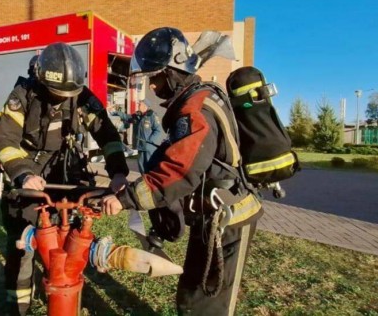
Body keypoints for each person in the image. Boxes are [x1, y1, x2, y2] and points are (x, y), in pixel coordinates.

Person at [101, 27, 263, 316]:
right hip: (211, 219)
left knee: (208, 304)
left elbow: (178, 170)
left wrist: (126, 200)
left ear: (173, 71)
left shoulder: (195, 111)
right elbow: (171, 159)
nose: (152, 87)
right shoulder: (193, 101)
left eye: (155, 78)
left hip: (228, 222)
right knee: (191, 295)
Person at [0, 42, 129, 315]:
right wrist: (23, 175)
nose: (62, 98)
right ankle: (19, 305)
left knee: (70, 236)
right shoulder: (22, 95)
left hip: (66, 172)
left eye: (68, 94)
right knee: (23, 245)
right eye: (56, 93)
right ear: (41, 81)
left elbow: (108, 135)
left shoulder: (82, 97)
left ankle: (66, 287)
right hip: (30, 176)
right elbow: (5, 141)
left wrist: (119, 172)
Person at [109, 99, 163, 173]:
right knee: (141, 166)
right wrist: (114, 112)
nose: (138, 106)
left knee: (150, 167)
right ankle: (144, 181)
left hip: (148, 148)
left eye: (140, 104)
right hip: (140, 146)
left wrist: (149, 141)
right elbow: (126, 117)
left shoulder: (152, 116)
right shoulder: (137, 116)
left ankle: (151, 182)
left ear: (145, 106)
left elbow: (158, 130)